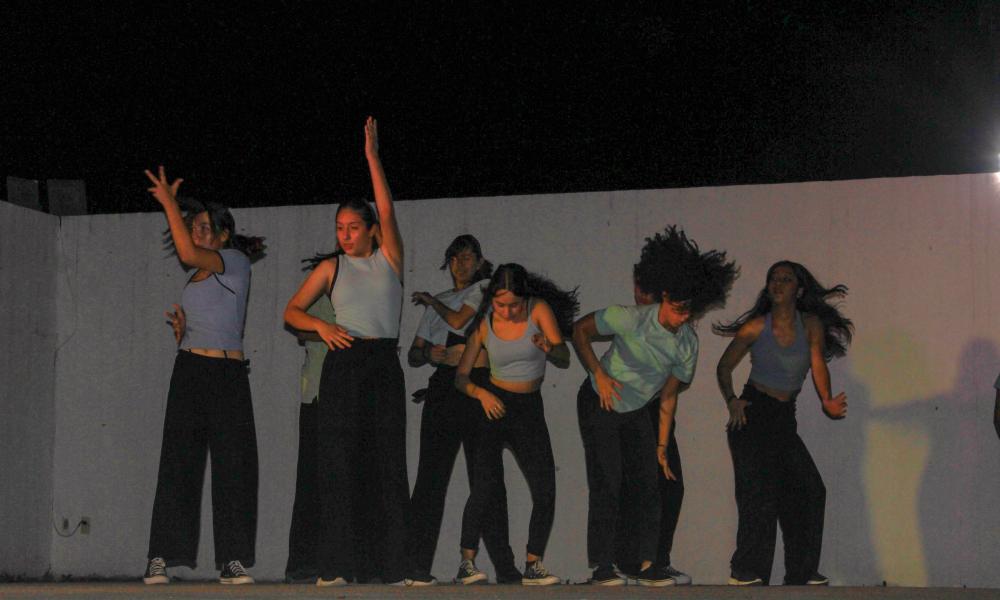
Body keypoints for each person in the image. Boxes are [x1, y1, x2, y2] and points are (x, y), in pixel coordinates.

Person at [573, 226, 737, 587]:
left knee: (651, 484)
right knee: (609, 481)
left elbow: (667, 396)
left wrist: (661, 446)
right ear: (664, 296)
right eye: (677, 310)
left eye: (687, 313)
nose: (680, 319)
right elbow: (580, 330)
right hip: (599, 401)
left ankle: (648, 566)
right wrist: (597, 373)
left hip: (636, 410)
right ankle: (602, 567)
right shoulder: (631, 318)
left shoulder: (687, 344)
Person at [283, 117, 408, 586]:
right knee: (337, 465)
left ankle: (392, 566)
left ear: (371, 230)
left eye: (354, 227)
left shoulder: (388, 258)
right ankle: (333, 566)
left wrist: (373, 156)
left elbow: (389, 211)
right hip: (345, 365)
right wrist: (319, 324)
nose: (345, 234)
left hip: (382, 364)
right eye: (339, 227)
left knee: (388, 463)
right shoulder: (331, 268)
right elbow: (292, 311)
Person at [143, 168, 265, 585]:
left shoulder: (234, 262)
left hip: (228, 375)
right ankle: (160, 555)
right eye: (192, 227)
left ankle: (233, 560)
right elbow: (206, 315)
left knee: (234, 468)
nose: (195, 233)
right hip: (191, 370)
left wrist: (167, 205)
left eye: (203, 228)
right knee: (178, 463)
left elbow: (188, 253)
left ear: (223, 235)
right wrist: (183, 331)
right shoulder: (195, 278)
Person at [714, 261, 853, 586]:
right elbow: (723, 368)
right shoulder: (755, 327)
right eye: (773, 279)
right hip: (752, 414)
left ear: (799, 289)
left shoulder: (811, 324)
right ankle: (746, 570)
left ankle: (802, 572)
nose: (777, 284)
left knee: (810, 489)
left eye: (785, 279)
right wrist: (732, 400)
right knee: (758, 494)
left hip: (782, 417)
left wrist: (827, 400)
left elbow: (818, 364)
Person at [405, 235, 521, 586]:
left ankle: (505, 566)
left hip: (477, 385)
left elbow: (459, 322)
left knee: (487, 479)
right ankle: (415, 566)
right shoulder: (437, 303)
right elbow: (414, 353)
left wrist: (429, 302)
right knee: (431, 478)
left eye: (468, 258)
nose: (461, 264)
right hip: (443, 388)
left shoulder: (484, 290)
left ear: (480, 261)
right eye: (455, 258)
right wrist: (431, 355)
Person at [454, 263, 578, 586]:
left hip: (528, 409)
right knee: (484, 486)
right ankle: (467, 562)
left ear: (526, 299)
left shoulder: (539, 310)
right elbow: (461, 377)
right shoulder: (484, 323)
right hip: (493, 405)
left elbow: (564, 356)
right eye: (500, 304)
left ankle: (533, 564)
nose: (507, 311)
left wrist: (550, 347)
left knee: (545, 488)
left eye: (514, 305)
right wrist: (481, 394)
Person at [283, 251, 337, 583]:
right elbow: (300, 330)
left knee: (343, 482)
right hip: (316, 393)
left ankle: (340, 561)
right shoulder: (315, 296)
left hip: (349, 398)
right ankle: (302, 563)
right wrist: (332, 333)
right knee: (311, 481)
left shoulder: (361, 294)